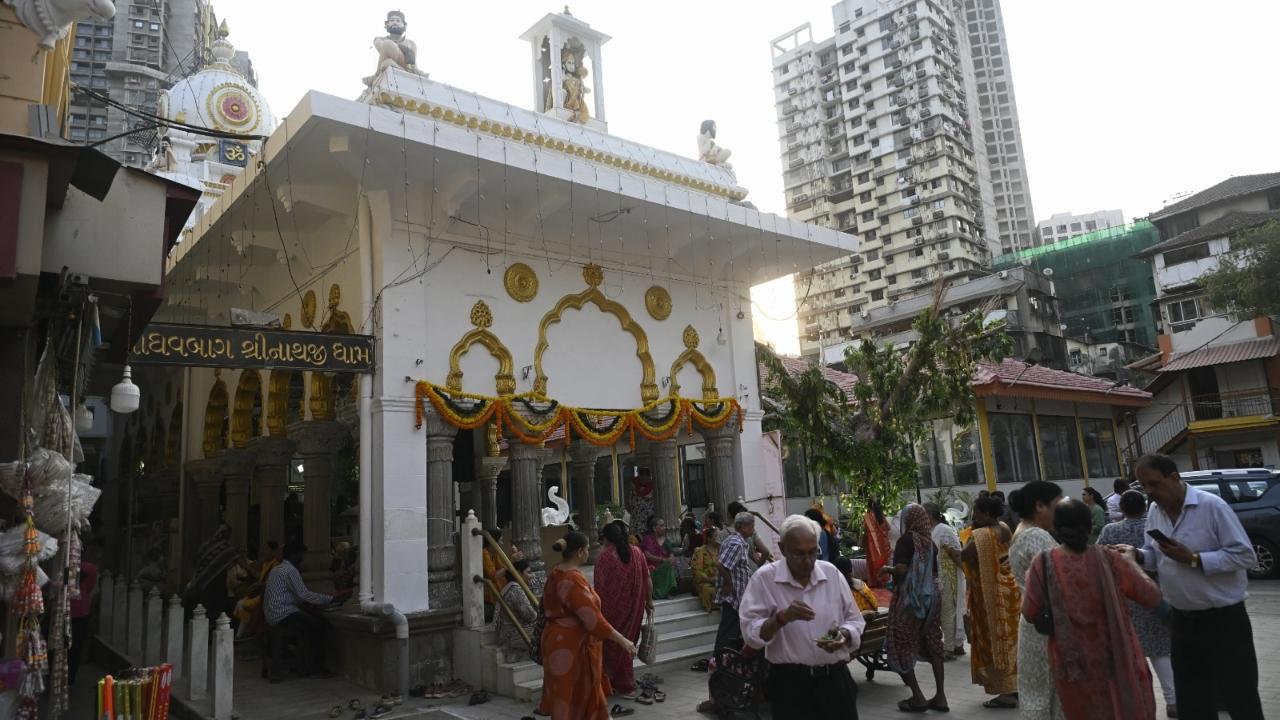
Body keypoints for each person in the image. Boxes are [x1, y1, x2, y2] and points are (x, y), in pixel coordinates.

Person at [1124, 454, 1262, 720]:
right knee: (1192, 699)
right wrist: (1137, 554)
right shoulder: (1155, 512)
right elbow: (1157, 555)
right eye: (1144, 486)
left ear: (1174, 477)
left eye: (1154, 484)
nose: (1149, 492)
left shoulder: (1212, 507)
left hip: (1224, 620)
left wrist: (1195, 559)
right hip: (1182, 621)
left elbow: (1245, 556)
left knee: (1240, 695)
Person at [1022, 499, 1165, 720]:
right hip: (1117, 655)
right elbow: (1151, 596)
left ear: (1056, 529)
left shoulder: (1043, 563)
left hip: (1072, 663)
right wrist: (1132, 562)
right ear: (1090, 527)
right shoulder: (1111, 558)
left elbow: (1029, 612)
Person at [738, 514, 865, 720]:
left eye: (813, 552)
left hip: (834, 680)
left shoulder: (831, 573)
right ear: (783, 548)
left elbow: (855, 620)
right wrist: (781, 618)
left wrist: (843, 634)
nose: (807, 561)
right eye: (798, 554)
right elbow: (751, 635)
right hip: (790, 685)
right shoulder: (764, 579)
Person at [537, 531, 637, 720]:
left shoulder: (555, 573)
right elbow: (592, 618)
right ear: (580, 552)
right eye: (587, 549)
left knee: (565, 694)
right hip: (572, 645)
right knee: (574, 696)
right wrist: (623, 640)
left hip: (556, 640)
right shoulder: (572, 579)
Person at [1098, 490, 1177, 717]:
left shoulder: (1111, 530)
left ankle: (1135, 704)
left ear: (1121, 508)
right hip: (1156, 595)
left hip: (1125, 598)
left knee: (1130, 654)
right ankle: (1173, 700)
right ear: (1144, 507)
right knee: (1161, 651)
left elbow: (1101, 558)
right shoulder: (1154, 530)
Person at [881, 503, 948, 713]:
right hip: (932, 599)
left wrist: (887, 569)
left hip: (911, 600)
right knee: (933, 642)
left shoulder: (906, 540)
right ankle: (941, 696)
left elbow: (901, 570)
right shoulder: (930, 543)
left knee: (899, 643)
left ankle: (918, 697)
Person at [1008, 481, 1065, 720]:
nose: (1060, 513)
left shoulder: (1022, 531)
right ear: (1040, 506)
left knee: (1037, 692)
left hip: (1034, 622)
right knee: (1047, 693)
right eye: (1057, 506)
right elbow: (1057, 581)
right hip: (1046, 625)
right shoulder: (1036, 536)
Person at [961, 495, 1020, 709]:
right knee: (1010, 641)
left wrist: (963, 540)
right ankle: (1013, 686)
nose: (973, 515)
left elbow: (963, 556)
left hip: (990, 597)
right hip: (1009, 591)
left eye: (976, 512)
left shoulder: (982, 535)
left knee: (995, 641)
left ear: (986, 514)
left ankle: (1005, 693)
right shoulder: (1004, 527)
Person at [594, 520, 653, 702]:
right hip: (634, 609)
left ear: (606, 538)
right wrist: (649, 602)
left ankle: (619, 684)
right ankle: (623, 684)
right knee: (627, 644)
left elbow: (599, 587)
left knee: (613, 644)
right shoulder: (637, 552)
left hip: (611, 611)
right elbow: (647, 579)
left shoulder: (604, 558)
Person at [263, 542, 335, 679]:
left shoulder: (277, 569)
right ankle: (313, 667)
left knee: (311, 621)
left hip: (272, 614)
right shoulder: (290, 570)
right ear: (294, 555)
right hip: (283, 614)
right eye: (302, 555)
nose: (303, 559)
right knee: (319, 626)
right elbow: (304, 594)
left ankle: (303, 662)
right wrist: (328, 599)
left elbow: (295, 595)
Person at [925, 503, 967, 659]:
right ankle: (956, 644)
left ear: (929, 516)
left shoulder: (942, 530)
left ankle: (949, 648)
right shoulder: (936, 530)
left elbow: (955, 554)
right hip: (942, 576)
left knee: (947, 612)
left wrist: (967, 573)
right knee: (948, 611)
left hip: (948, 576)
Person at [714, 514, 757, 653]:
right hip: (732, 595)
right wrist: (728, 583)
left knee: (732, 629)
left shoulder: (738, 541)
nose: (753, 529)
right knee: (729, 630)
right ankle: (720, 658)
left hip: (738, 595)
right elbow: (720, 564)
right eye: (752, 526)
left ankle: (726, 658)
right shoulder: (736, 543)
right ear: (743, 527)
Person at [183, 524, 236, 621]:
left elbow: (196, 560)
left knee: (210, 603)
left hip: (211, 579)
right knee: (209, 603)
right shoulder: (224, 546)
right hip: (211, 580)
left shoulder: (207, 545)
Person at [493, 559, 539, 662]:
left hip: (509, 633)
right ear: (518, 573)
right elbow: (531, 616)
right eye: (528, 572)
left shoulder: (511, 586)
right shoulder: (515, 589)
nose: (532, 576)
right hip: (511, 635)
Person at [68, 559, 97, 685]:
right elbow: (90, 587)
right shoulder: (91, 568)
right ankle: (71, 676)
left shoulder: (66, 565)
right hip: (82, 610)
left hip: (66, 608)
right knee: (77, 644)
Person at [640, 516, 679, 599]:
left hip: (663, 567)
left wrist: (671, 560)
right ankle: (659, 593)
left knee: (670, 565)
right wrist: (663, 560)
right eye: (661, 526)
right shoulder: (647, 539)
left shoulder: (667, 541)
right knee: (667, 564)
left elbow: (671, 556)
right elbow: (647, 555)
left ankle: (668, 591)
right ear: (654, 528)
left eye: (664, 525)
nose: (664, 528)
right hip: (650, 568)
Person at [727, 501, 774, 567]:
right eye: (752, 526)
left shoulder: (726, 534)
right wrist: (758, 565)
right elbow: (765, 551)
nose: (753, 528)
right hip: (752, 569)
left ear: (729, 515)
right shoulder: (741, 538)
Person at [862, 498, 893, 587]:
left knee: (874, 567)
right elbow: (888, 529)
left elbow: (865, 533)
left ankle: (875, 584)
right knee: (884, 567)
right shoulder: (882, 517)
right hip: (884, 548)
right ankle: (885, 584)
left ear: (868, 507)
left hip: (872, 549)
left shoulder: (868, 518)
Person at [691, 530, 721, 612]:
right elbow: (697, 570)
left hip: (721, 580)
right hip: (705, 581)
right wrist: (710, 580)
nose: (719, 538)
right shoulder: (700, 551)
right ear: (709, 539)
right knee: (710, 590)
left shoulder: (722, 550)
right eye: (716, 536)